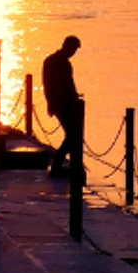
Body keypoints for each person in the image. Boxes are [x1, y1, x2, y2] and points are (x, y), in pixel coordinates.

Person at [42, 36, 83, 173]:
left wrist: (75, 96)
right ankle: (57, 166)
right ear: (67, 46)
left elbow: (69, 84)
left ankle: (65, 165)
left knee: (72, 135)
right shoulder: (55, 62)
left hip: (67, 104)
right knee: (73, 135)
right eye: (74, 49)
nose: (74, 52)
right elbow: (49, 84)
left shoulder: (62, 62)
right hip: (62, 104)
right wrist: (51, 103)